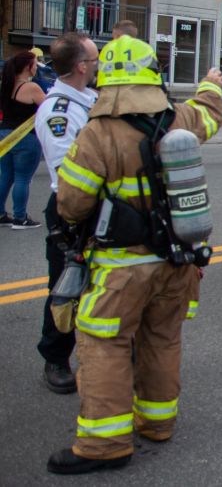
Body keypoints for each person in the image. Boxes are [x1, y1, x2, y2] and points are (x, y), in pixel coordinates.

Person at [47, 36, 222, 474]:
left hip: (120, 270)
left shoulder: (98, 133)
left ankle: (105, 445)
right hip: (177, 262)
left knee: (105, 346)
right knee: (162, 339)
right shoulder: (176, 117)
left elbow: (71, 204)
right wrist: (210, 85)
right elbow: (209, 115)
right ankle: (157, 424)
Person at [33, 33, 99, 394]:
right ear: (81, 66)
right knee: (66, 286)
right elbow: (68, 175)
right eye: (94, 59)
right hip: (71, 208)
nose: (98, 65)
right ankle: (55, 358)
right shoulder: (58, 111)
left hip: (101, 205)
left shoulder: (90, 99)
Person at [0, 50, 47, 229]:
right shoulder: (31, 87)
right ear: (28, 67)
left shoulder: (6, 85)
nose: (37, 67)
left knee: (6, 176)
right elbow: (48, 107)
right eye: (35, 64)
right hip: (25, 137)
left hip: (5, 135)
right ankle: (20, 218)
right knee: (22, 178)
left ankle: (1, 214)